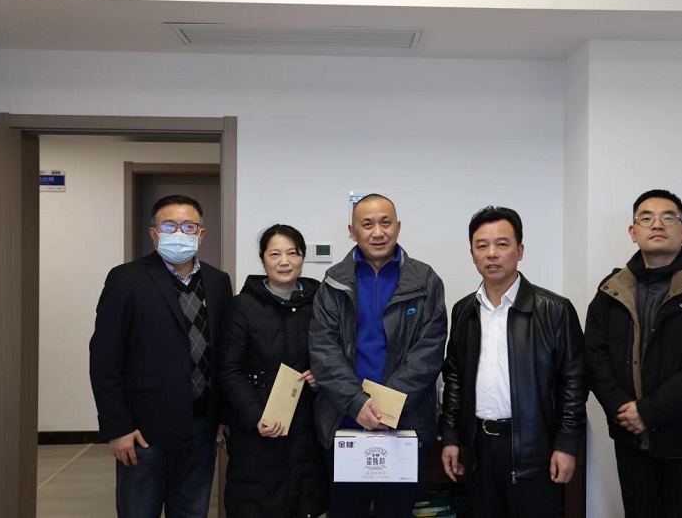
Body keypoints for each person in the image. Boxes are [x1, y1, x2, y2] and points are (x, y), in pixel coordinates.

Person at [584, 189, 682, 517]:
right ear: (633, 232)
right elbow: (595, 356)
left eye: (669, 217)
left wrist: (648, 412)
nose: (657, 224)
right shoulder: (610, 291)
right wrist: (623, 410)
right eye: (646, 218)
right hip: (631, 445)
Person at [89, 194, 233, 518]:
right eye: (169, 226)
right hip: (143, 431)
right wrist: (117, 427)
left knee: (192, 511)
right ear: (154, 233)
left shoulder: (218, 281)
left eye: (188, 226)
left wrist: (222, 415)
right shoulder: (126, 279)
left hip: (201, 427)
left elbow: (222, 354)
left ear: (201, 233)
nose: (179, 233)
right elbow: (104, 359)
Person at [440, 205, 586, 518]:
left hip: (534, 449)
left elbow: (574, 382)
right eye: (482, 245)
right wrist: (450, 437)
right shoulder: (464, 311)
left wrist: (566, 444)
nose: (492, 253)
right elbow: (454, 377)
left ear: (519, 251)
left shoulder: (554, 310)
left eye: (502, 244)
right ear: (472, 253)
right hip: (478, 449)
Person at [309, 193, 448, 518]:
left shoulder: (426, 280)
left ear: (398, 226)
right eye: (367, 224)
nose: (377, 232)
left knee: (398, 511)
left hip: (404, 424)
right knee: (345, 511)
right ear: (352, 231)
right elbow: (323, 350)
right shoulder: (333, 282)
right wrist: (357, 403)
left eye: (385, 223)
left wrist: (386, 406)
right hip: (346, 422)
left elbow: (429, 351)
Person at [219, 224, 329, 517]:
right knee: (258, 502)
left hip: (307, 424)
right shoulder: (242, 306)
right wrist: (257, 416)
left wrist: (321, 375)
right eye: (275, 254)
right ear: (263, 259)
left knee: (304, 501)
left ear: (302, 257)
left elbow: (335, 353)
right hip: (258, 429)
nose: (284, 262)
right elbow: (230, 370)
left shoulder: (320, 302)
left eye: (292, 253)